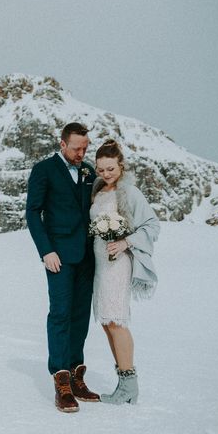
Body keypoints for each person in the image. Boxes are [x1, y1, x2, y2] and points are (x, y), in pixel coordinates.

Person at [25, 122, 100, 413]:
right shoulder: (43, 170)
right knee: (60, 314)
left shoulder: (88, 172)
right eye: (77, 148)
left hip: (86, 257)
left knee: (80, 316)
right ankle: (61, 381)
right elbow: (33, 212)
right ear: (62, 144)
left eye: (85, 148)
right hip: (58, 257)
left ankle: (76, 373)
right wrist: (46, 251)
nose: (82, 153)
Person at [90, 139, 160, 404]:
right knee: (107, 322)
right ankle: (123, 383)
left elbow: (151, 225)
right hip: (100, 261)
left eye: (110, 168)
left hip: (118, 263)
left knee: (116, 320)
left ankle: (130, 385)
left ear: (121, 165)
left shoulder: (130, 192)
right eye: (100, 170)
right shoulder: (98, 191)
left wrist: (125, 242)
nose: (106, 174)